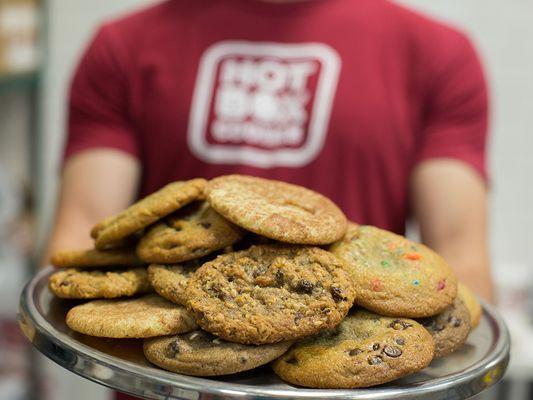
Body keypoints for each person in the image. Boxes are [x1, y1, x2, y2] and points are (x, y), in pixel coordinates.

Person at [46, 1, 492, 395]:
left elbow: (462, 259)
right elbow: (85, 235)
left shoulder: (436, 51)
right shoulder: (122, 44)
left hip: (362, 369)